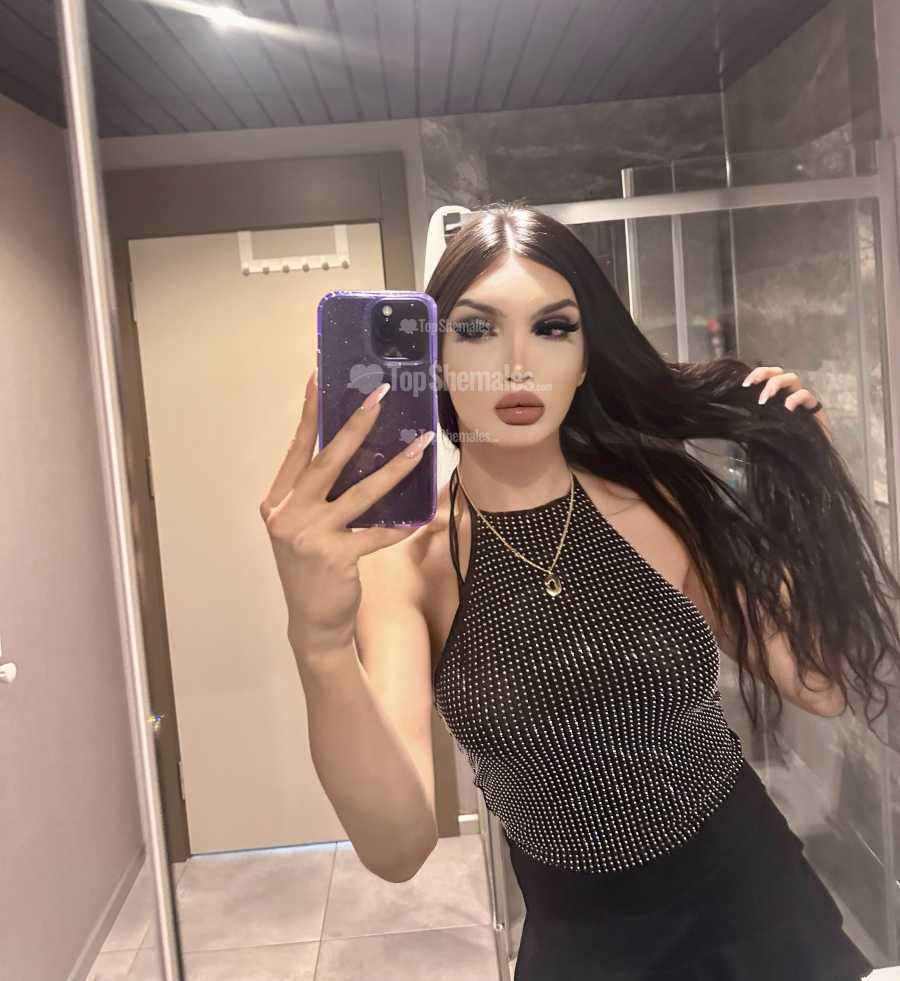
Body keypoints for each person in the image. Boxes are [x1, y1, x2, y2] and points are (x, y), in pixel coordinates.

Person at [260, 201, 899, 979]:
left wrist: (805, 483)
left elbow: (818, 684)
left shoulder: (661, 500)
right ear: (433, 357)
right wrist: (319, 641)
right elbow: (398, 850)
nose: (517, 364)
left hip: (763, 912)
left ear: (587, 357)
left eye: (553, 328)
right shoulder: (407, 560)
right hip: (583, 947)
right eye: (477, 329)